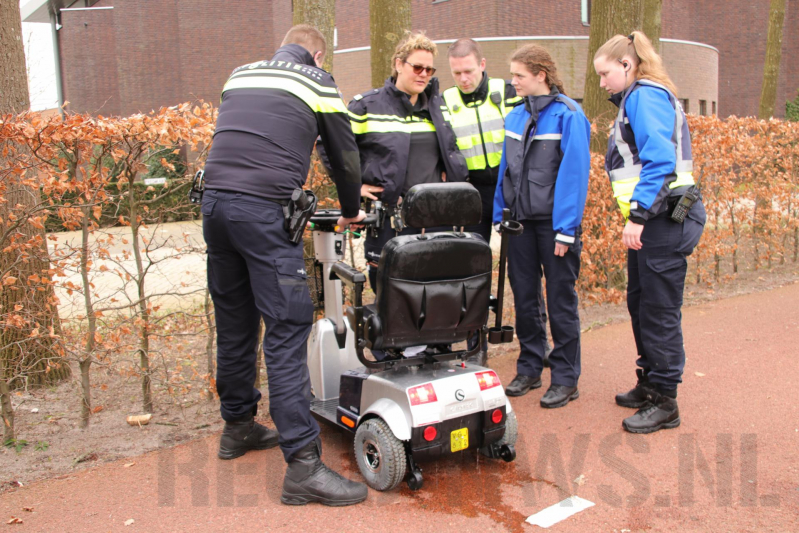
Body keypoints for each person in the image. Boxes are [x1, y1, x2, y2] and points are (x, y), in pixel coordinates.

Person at [201, 24, 368, 506]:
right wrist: (352, 207)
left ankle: (237, 428)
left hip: (215, 206)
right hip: (262, 212)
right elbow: (343, 153)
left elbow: (251, 136)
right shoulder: (317, 80)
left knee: (236, 321)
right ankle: (304, 467)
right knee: (288, 327)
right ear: (316, 54)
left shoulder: (240, 73)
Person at [594, 31, 705, 433]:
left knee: (658, 311)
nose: (602, 83)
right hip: (657, 219)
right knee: (641, 302)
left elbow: (659, 161)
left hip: (662, 219)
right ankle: (649, 380)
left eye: (605, 73)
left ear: (627, 65)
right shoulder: (637, 99)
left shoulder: (644, 96)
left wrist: (637, 215)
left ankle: (665, 400)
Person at [493, 44, 591, 408]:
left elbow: (575, 175)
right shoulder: (516, 115)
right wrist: (500, 213)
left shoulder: (569, 115)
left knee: (561, 301)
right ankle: (531, 366)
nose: (513, 81)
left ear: (541, 75)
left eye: (519, 75)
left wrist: (567, 229)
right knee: (525, 297)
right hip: (519, 224)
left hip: (554, 226)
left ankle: (566, 378)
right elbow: (507, 168)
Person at [443, 38, 551, 361]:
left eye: (469, 71)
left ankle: (538, 345)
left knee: (523, 271)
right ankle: (475, 346)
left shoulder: (508, 93)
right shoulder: (445, 100)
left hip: (509, 191)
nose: (463, 79)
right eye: (457, 73)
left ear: (483, 65)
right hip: (469, 193)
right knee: (469, 272)